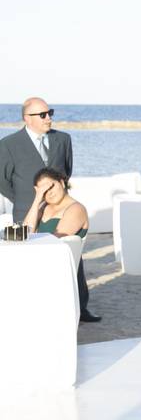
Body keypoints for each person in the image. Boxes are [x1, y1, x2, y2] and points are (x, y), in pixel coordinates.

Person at [0, 99, 100, 323]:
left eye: (50, 113)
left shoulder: (63, 139)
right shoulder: (8, 144)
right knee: (23, 258)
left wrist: (58, 199)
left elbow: (66, 170)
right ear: (27, 118)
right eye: (42, 115)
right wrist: (23, 199)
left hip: (60, 209)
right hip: (27, 210)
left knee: (72, 256)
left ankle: (80, 307)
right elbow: (2, 179)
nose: (49, 118)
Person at [23, 167, 96, 321]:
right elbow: (25, 232)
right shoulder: (43, 207)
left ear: (62, 183)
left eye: (51, 186)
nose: (49, 192)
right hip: (40, 260)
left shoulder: (76, 208)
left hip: (57, 267)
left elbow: (54, 242)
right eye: (43, 190)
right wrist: (37, 200)